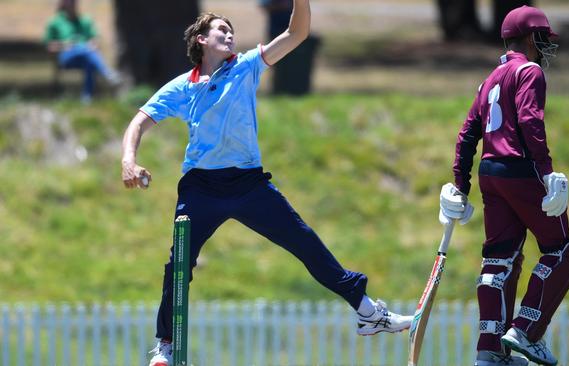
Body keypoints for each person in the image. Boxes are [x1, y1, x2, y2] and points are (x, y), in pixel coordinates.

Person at [120, 2, 412, 365]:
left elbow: (297, 34)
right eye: (220, 31)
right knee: (178, 263)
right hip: (201, 188)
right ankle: (165, 344)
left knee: (304, 241)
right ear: (201, 40)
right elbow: (138, 122)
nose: (229, 35)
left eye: (231, 31)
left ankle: (368, 312)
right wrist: (128, 160)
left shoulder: (245, 67)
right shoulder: (183, 86)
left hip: (248, 184)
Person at [438, 6, 569, 366]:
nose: (545, 47)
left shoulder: (490, 79)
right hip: (521, 170)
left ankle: (489, 349)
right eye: (542, 38)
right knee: (561, 252)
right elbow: (529, 120)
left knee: (498, 259)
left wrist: (460, 185)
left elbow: (467, 136)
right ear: (529, 38)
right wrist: (547, 172)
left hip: (490, 174)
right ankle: (526, 330)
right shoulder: (530, 71)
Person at [43, 0, 120, 102]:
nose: (73, 4)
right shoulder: (55, 22)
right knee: (86, 51)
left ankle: (87, 98)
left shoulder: (84, 20)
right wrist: (64, 45)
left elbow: (95, 39)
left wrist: (92, 44)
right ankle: (107, 73)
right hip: (66, 57)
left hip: (86, 56)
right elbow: (49, 46)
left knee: (89, 62)